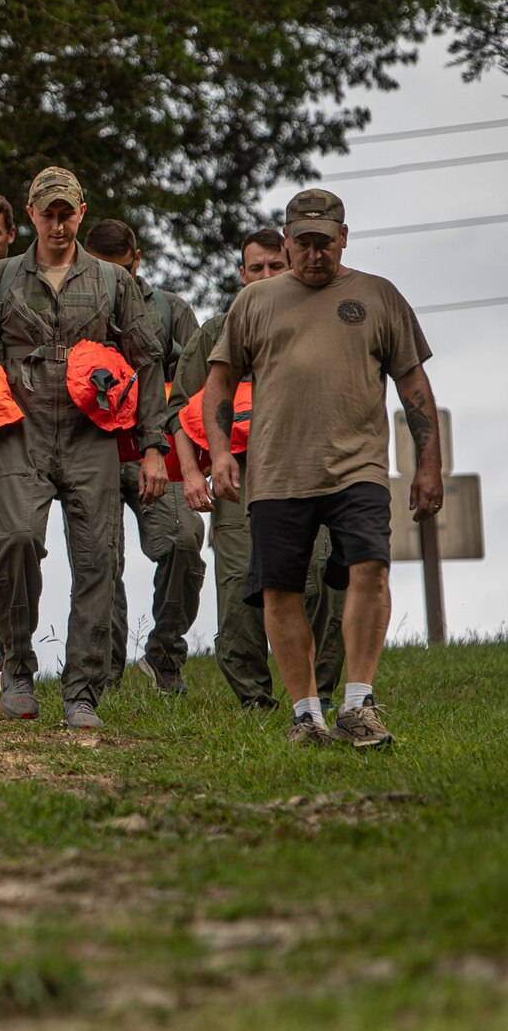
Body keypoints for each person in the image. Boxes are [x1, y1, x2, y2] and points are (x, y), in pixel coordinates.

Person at [204, 188, 438, 748]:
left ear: (344, 237)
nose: (314, 254)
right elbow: (218, 382)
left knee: (370, 567)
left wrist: (428, 465)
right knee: (280, 589)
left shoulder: (378, 296)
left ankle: (358, 703)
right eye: (303, 243)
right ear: (286, 241)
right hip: (277, 472)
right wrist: (217, 454)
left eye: (325, 243)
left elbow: (413, 385)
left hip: (359, 465)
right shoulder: (255, 302)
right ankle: (306, 715)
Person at [0, 167, 169, 730]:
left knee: (97, 559)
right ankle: (17, 667)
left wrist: (151, 448)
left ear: (82, 211)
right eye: (47, 211)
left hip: (90, 436)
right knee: (12, 540)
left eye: (66, 211)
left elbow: (147, 364)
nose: (58, 222)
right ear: (30, 214)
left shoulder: (113, 284)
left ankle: (82, 689)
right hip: (20, 432)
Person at [169, 230, 342, 710]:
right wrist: (189, 474)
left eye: (273, 266)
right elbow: (179, 407)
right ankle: (254, 699)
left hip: (311, 467)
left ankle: (317, 695)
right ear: (241, 274)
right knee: (241, 581)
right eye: (255, 268)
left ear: (289, 267)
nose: (264, 276)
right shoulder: (216, 331)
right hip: (237, 476)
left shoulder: (320, 322)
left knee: (319, 575)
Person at [82, 219, 205, 695]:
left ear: (136, 260)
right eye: (101, 271)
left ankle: (164, 656)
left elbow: (194, 387)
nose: (113, 282)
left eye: (121, 271)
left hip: (162, 449)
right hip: (94, 452)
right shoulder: (76, 311)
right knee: (100, 562)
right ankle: (104, 673)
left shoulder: (171, 310)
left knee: (183, 540)